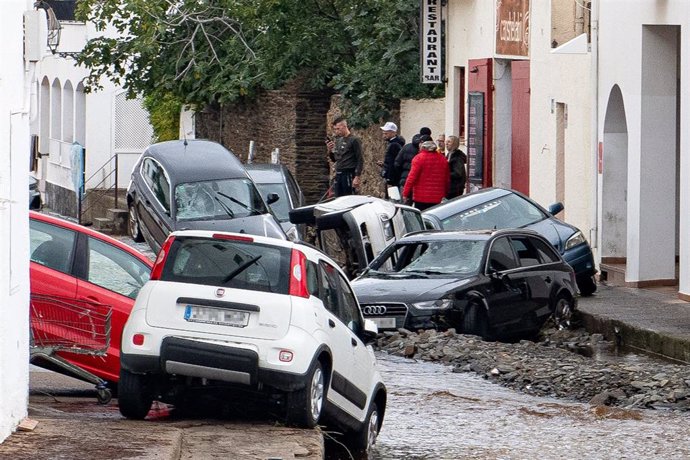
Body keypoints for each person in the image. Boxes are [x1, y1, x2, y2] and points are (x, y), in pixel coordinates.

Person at [402, 140, 450, 211]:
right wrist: (445, 193)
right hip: (437, 197)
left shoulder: (418, 158)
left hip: (420, 197)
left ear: (423, 148)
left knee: (422, 217)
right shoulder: (442, 159)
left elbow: (411, 178)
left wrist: (405, 193)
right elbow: (447, 179)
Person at [326, 116, 363, 197]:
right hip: (339, 173)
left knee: (348, 197)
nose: (336, 131)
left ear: (344, 126)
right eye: (335, 129)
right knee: (338, 197)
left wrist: (357, 177)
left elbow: (360, 159)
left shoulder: (354, 140)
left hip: (349, 173)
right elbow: (335, 159)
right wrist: (330, 150)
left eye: (338, 129)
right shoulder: (339, 140)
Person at [377, 121, 405, 188]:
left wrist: (390, 178)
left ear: (393, 133)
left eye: (386, 133)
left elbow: (393, 162)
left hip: (394, 177)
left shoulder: (394, 145)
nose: (384, 135)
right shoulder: (394, 143)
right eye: (383, 133)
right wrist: (384, 164)